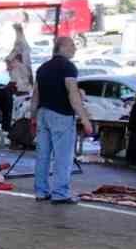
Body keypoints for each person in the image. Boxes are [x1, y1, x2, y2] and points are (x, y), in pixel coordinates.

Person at [29, 35, 93, 204]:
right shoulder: (68, 67)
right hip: (61, 115)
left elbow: (36, 94)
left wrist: (33, 116)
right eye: (72, 45)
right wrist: (85, 119)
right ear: (62, 47)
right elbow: (73, 94)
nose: (74, 48)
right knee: (63, 156)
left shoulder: (43, 68)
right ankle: (60, 193)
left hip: (43, 113)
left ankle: (41, 191)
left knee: (43, 155)